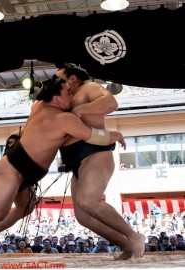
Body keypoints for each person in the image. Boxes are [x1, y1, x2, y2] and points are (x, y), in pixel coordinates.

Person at [0, 76, 125, 263]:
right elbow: (94, 137)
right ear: (56, 99)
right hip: (13, 167)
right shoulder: (65, 119)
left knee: (25, 208)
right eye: (68, 93)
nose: (72, 96)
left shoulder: (38, 106)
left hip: (28, 172)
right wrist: (116, 134)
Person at [56, 63, 145, 260]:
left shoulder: (87, 88)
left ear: (72, 79)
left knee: (88, 200)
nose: (57, 82)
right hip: (76, 161)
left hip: (95, 154)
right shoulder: (66, 97)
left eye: (60, 78)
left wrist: (81, 110)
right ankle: (125, 245)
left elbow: (111, 103)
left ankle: (133, 235)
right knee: (83, 216)